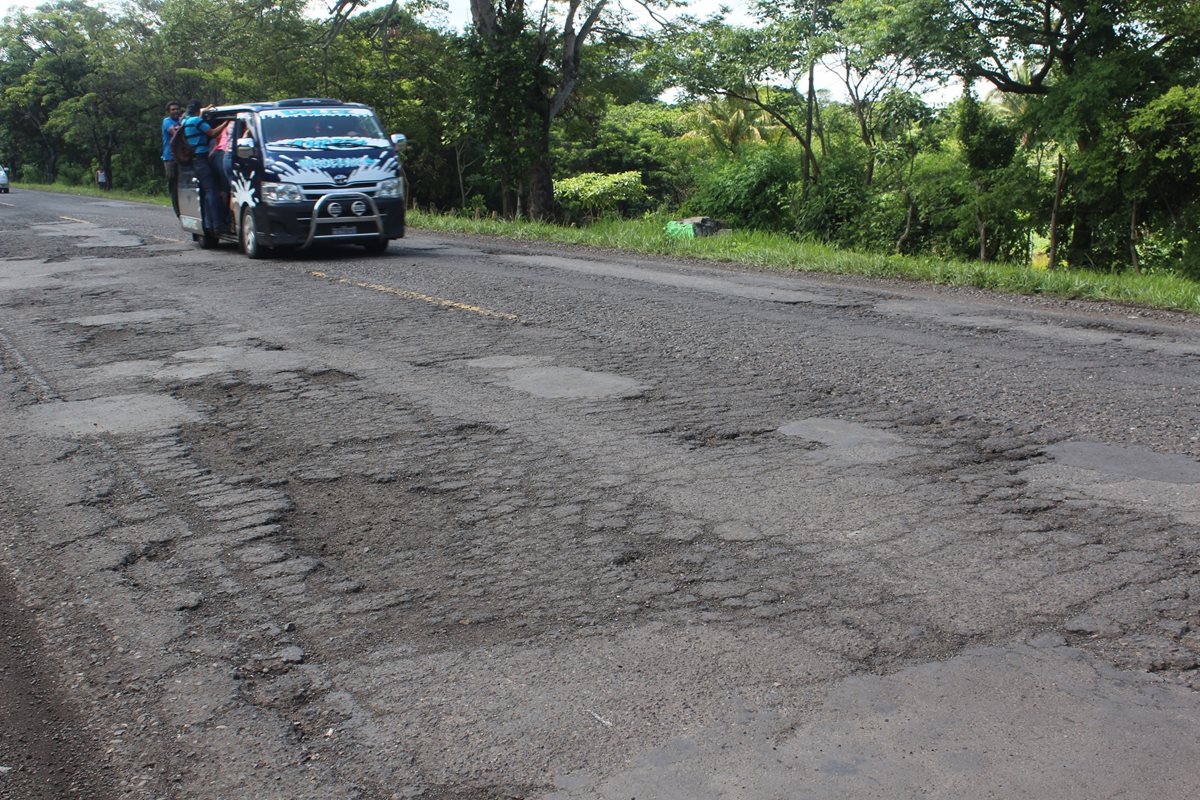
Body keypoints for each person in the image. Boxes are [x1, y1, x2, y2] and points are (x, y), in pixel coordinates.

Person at [180, 100, 228, 236]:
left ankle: (208, 224)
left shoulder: (186, 121)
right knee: (212, 190)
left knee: (205, 191)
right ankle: (217, 224)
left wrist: (205, 110)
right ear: (197, 110)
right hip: (201, 158)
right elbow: (212, 133)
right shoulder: (196, 121)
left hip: (194, 160)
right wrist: (226, 123)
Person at [161, 101, 183, 215]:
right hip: (170, 158)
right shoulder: (167, 122)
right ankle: (178, 212)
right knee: (173, 185)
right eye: (173, 109)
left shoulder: (181, 120)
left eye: (177, 109)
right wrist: (182, 125)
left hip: (181, 157)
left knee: (182, 185)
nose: (175, 111)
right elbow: (175, 133)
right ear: (168, 112)